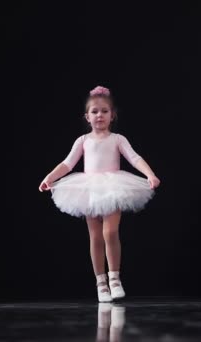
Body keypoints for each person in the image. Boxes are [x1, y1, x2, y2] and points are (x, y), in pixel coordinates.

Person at [39, 85, 161, 302]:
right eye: (94, 111)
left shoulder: (118, 139)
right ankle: (101, 282)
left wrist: (150, 175)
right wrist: (50, 177)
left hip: (113, 186)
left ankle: (115, 278)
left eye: (104, 111)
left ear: (112, 115)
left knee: (110, 232)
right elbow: (68, 163)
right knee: (95, 236)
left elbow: (134, 158)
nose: (99, 115)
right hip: (89, 188)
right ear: (87, 117)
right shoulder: (83, 141)